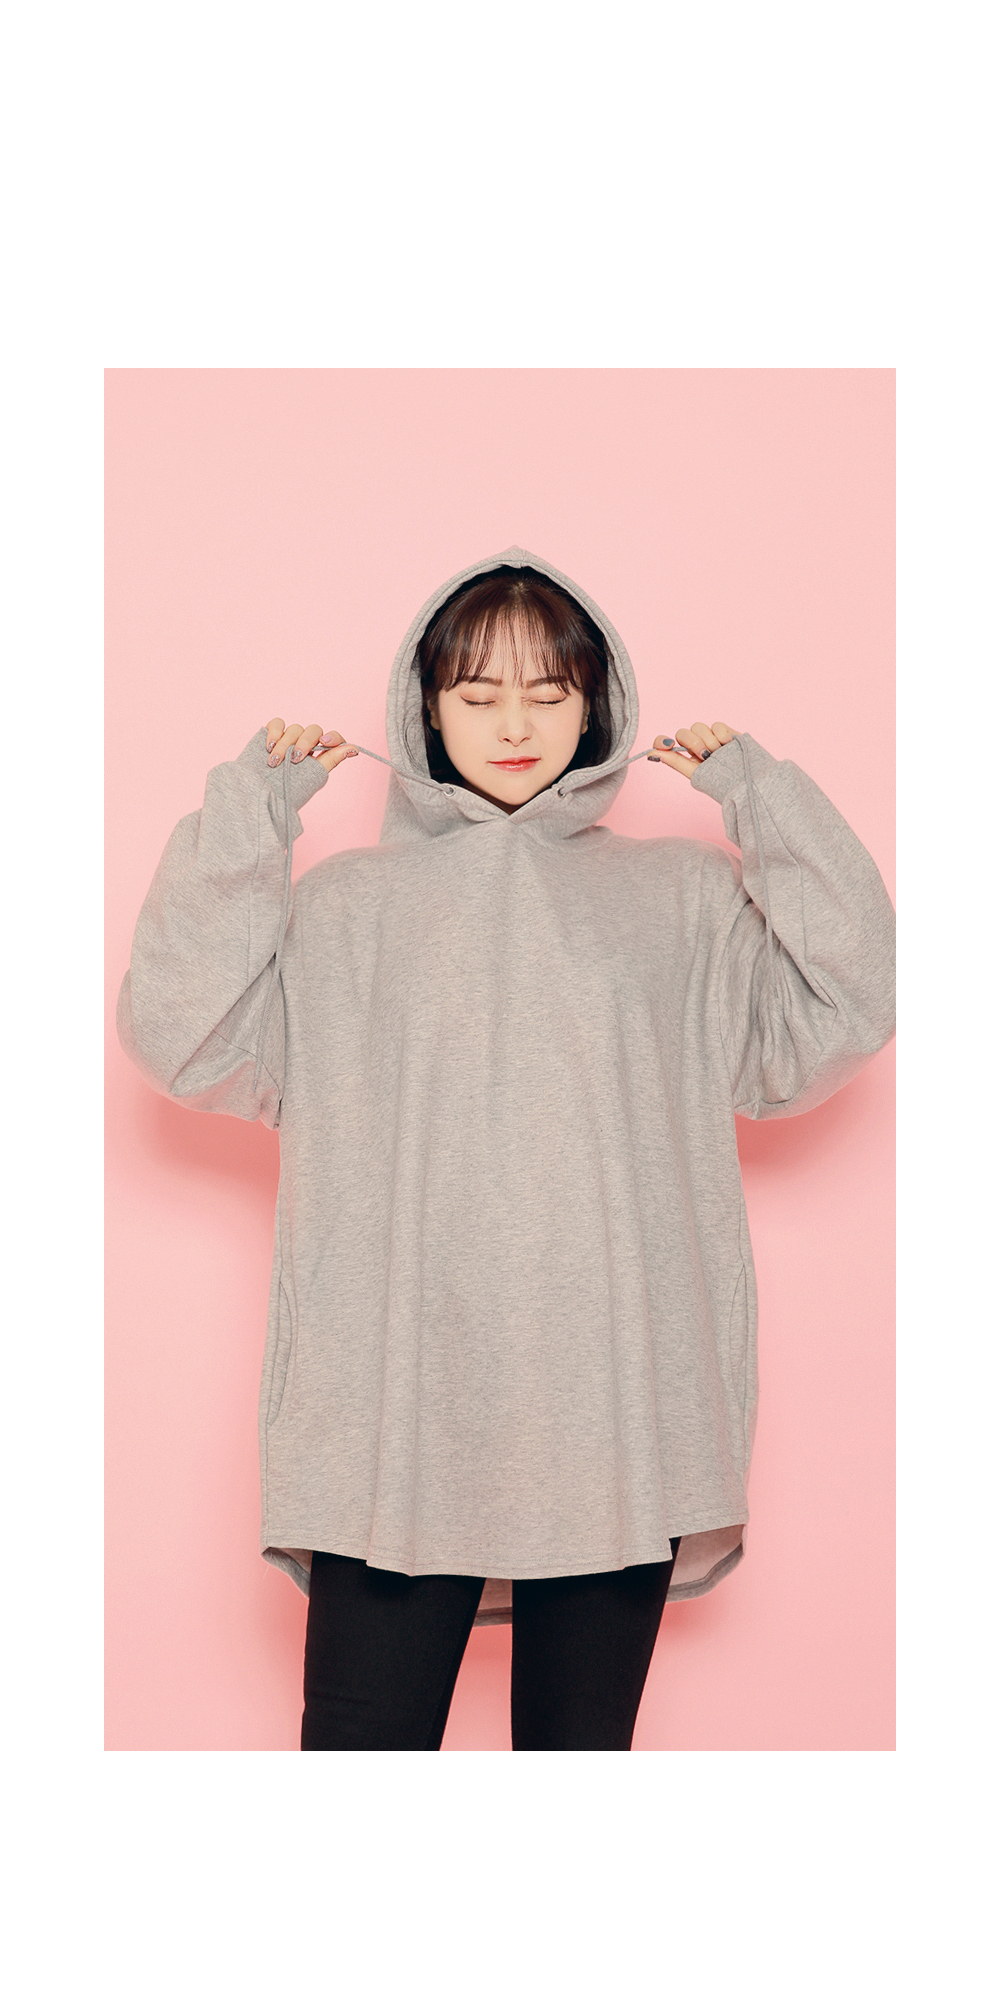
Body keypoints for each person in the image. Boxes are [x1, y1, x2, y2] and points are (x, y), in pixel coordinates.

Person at [117, 546, 895, 1751]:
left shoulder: (685, 901)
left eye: (548, 692)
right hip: (392, 1412)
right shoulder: (344, 909)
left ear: (596, 705)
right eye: (478, 694)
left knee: (574, 1777)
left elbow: (848, 1003)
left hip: (621, 1412)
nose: (516, 725)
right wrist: (244, 824)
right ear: (426, 711)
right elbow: (180, 1034)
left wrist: (769, 806)